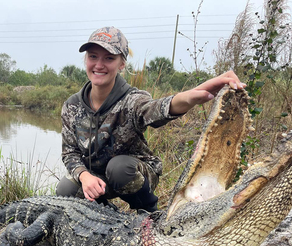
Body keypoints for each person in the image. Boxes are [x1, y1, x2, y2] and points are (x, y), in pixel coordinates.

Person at [55, 26, 246, 212]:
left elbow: (159, 108)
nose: (98, 65)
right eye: (93, 56)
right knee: (66, 190)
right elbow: (69, 153)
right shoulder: (72, 106)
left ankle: (148, 210)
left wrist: (193, 95)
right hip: (98, 178)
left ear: (121, 64)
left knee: (119, 168)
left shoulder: (133, 100)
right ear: (86, 59)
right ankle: (105, 213)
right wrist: (84, 175)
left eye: (109, 58)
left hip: (134, 172)